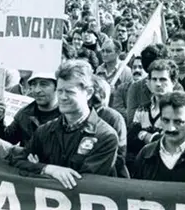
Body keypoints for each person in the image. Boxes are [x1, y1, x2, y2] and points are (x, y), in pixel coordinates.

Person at [10, 60, 120, 188]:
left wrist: (37, 169)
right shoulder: (44, 130)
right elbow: (18, 161)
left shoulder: (105, 137)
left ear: (88, 93)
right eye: (60, 91)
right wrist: (48, 169)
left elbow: (84, 183)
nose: (62, 97)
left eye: (69, 92)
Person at [0, 72, 60, 146]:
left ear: (57, 87)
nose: (37, 90)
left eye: (43, 84)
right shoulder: (24, 114)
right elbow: (7, 140)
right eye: (33, 84)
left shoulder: (67, 116)